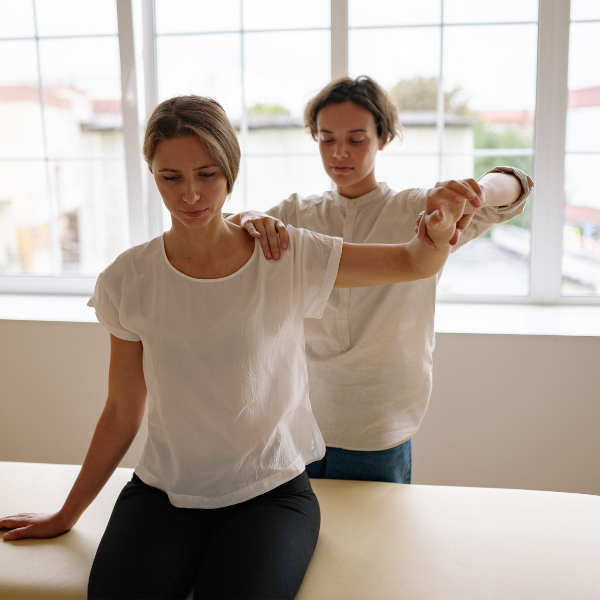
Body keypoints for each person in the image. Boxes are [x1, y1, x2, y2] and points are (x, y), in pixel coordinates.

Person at [0, 95, 465, 600]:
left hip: (271, 495)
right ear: (152, 173)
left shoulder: (281, 253)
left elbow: (412, 262)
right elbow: (121, 410)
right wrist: (66, 513)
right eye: (171, 177)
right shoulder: (127, 279)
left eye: (207, 174)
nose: (190, 194)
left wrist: (437, 232)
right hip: (162, 493)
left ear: (231, 169)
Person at [228, 76, 534, 485]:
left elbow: (517, 186)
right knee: (306, 525)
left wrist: (474, 191)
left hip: (381, 422)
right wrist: (247, 217)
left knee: (378, 528)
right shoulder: (297, 213)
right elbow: (227, 234)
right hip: (302, 418)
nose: (339, 153)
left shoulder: (422, 211)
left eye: (356, 139)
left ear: (383, 138)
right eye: (326, 139)